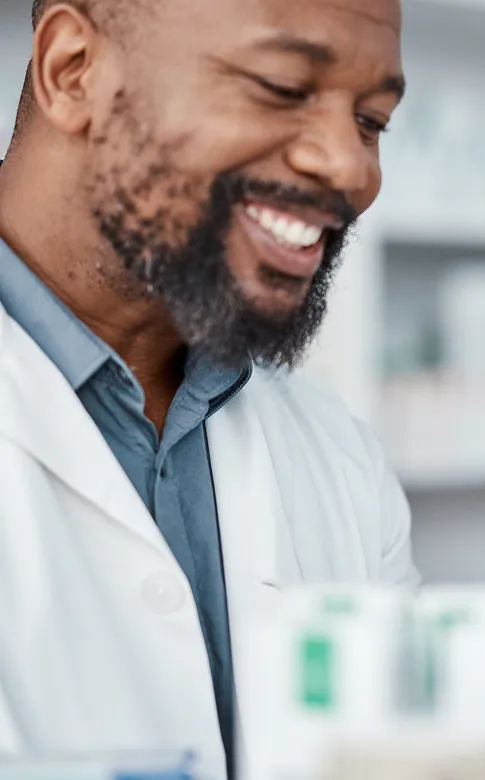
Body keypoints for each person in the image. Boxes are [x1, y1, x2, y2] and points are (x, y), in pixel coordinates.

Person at [0, 0, 416, 777]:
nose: (351, 169)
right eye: (280, 86)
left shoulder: (336, 455)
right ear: (73, 72)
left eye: (371, 121)